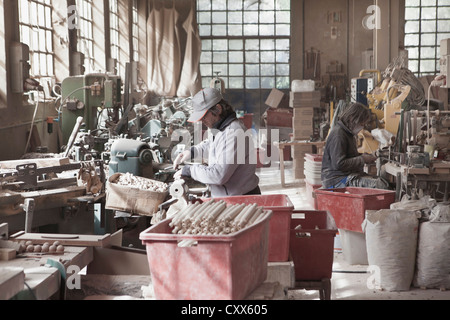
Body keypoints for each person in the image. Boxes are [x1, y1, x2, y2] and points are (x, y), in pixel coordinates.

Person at [173, 88, 260, 197]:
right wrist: (191, 152)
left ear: (218, 109)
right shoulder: (221, 128)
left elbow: (219, 175)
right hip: (230, 195)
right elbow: (211, 145)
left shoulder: (234, 132)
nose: (201, 120)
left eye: (204, 116)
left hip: (242, 199)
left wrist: (189, 171)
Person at [321, 102, 389, 189]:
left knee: (382, 181)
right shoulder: (339, 135)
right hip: (336, 180)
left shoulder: (348, 133)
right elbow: (339, 164)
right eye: (361, 124)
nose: (362, 127)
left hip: (345, 175)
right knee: (380, 185)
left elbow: (349, 157)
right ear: (352, 119)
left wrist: (368, 156)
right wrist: (362, 159)